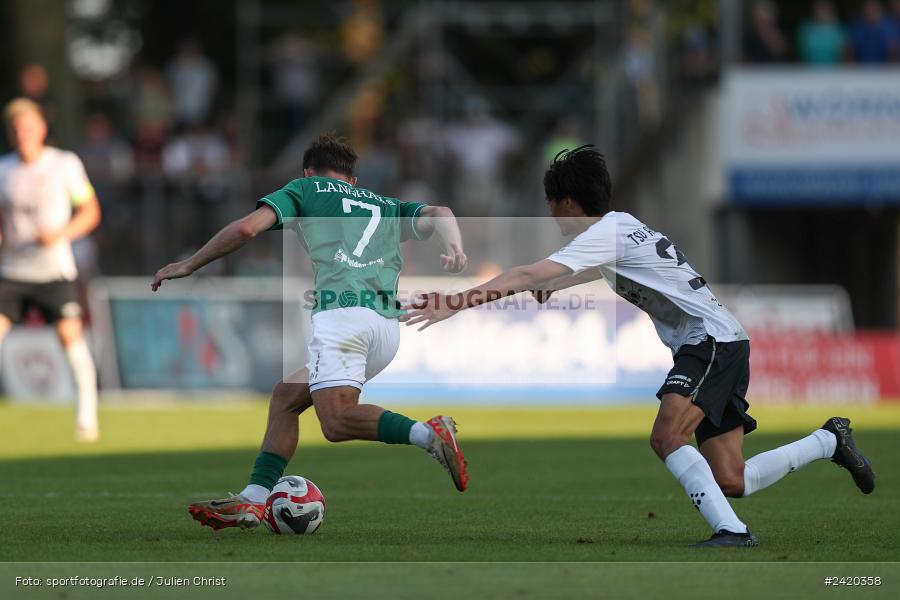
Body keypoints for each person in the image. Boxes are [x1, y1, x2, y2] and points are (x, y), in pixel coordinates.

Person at [401, 146, 876, 547]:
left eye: (551, 204)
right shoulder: (620, 228)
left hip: (709, 341)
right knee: (733, 478)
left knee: (667, 437)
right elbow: (611, 268)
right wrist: (561, 285)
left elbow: (528, 273)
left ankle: (731, 533)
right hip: (724, 340)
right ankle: (829, 440)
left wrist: (455, 302)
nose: (549, 214)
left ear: (567, 202)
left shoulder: (604, 232)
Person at [151, 134, 470, 530]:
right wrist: (455, 248)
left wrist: (192, 263)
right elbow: (441, 212)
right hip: (386, 330)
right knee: (287, 396)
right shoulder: (385, 204)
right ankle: (253, 500)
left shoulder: (305, 188)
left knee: (335, 423)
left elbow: (249, 229)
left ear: (307, 171)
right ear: (354, 180)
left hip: (343, 318)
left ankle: (428, 434)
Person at [0, 98, 102, 441]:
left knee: (69, 338)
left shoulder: (64, 164)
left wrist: (60, 235)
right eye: (16, 129)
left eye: (28, 127)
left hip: (54, 271)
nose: (22, 134)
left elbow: (90, 212)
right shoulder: (3, 168)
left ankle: (87, 416)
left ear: (42, 128)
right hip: (12, 270)